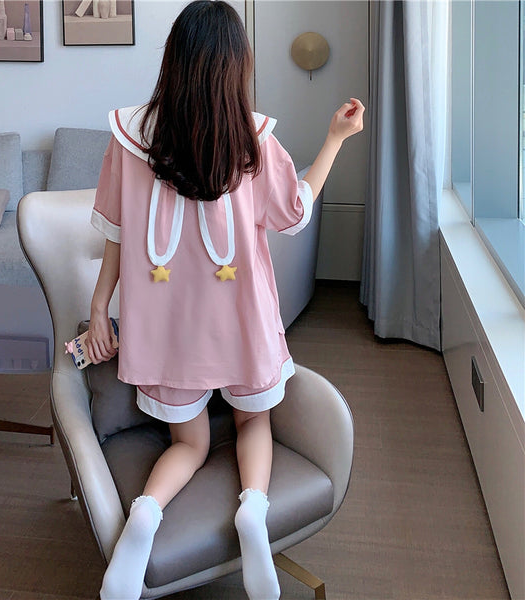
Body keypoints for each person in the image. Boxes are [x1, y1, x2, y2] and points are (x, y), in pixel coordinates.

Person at [86, 2, 364, 598]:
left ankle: (144, 516)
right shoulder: (254, 141)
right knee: (252, 421)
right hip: (242, 323)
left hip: (165, 332)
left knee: (188, 443)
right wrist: (335, 139)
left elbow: (114, 230)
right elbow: (295, 212)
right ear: (236, 68)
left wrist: (98, 308)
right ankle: (253, 512)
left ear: (173, 61)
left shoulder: (128, 137)